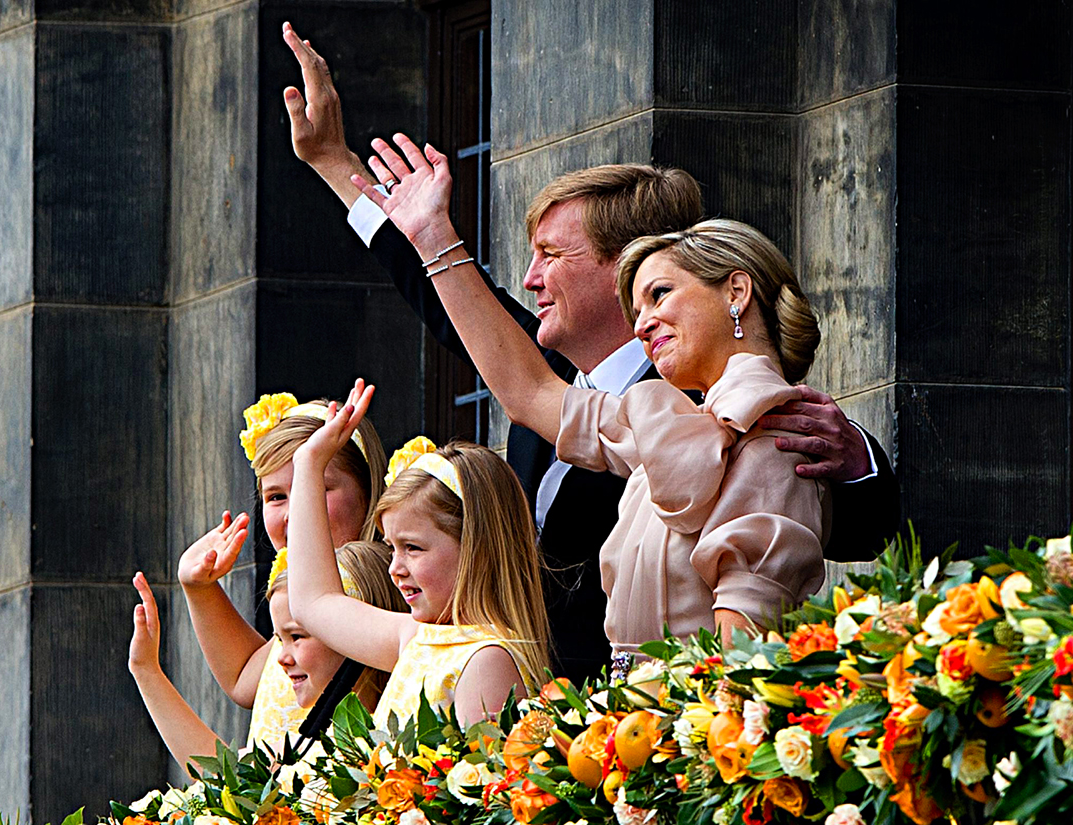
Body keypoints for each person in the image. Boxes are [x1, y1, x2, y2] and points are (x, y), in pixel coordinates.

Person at [277, 23, 900, 683]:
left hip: (672, 728)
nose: (530, 279)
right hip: (553, 736)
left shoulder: (724, 415)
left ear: (622, 271)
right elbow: (461, 315)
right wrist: (334, 163)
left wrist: (857, 460)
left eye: (551, 255)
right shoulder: (594, 397)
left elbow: (841, 527)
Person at [362, 132, 828, 660]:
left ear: (735, 293)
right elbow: (528, 392)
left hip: (687, 728)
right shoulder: (654, 418)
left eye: (661, 293)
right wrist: (429, 236)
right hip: (614, 721)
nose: (644, 319)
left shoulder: (788, 436)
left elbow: (743, 653)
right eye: (639, 299)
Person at [286, 386, 551, 730]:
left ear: (475, 548)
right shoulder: (418, 638)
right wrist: (308, 464)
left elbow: (478, 782)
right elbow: (312, 602)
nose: (395, 569)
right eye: (392, 548)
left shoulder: (487, 659)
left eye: (412, 548)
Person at [177, 395, 386, 753]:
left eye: (315, 487)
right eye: (276, 497)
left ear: (368, 491)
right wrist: (199, 589)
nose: (295, 513)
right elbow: (245, 677)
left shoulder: (376, 586)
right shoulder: (292, 605)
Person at [128, 542, 400, 771]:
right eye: (279, 640)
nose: (281, 658)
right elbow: (224, 775)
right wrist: (146, 670)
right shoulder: (303, 748)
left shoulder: (411, 738)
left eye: (298, 636)